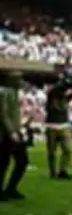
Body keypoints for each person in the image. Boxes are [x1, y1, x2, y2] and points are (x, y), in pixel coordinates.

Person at [0, 71, 29, 201]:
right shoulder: (5, 93)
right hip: (6, 133)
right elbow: (4, 114)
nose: (22, 82)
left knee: (17, 161)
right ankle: (7, 190)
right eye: (19, 79)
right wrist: (11, 131)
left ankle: (10, 189)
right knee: (5, 162)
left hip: (14, 132)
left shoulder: (14, 93)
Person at [45, 82, 72, 180]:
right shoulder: (51, 98)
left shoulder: (64, 98)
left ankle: (63, 170)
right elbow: (54, 91)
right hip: (51, 126)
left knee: (67, 150)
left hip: (63, 126)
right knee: (52, 152)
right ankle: (53, 171)